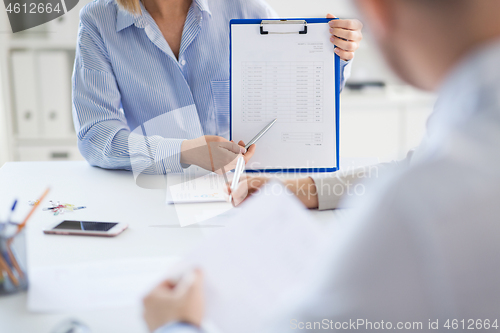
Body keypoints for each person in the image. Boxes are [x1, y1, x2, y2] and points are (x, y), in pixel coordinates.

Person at [142, 0, 500, 331]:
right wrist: (310, 189)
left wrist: (176, 323)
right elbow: (421, 163)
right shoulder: (465, 136)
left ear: (378, 11)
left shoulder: (410, 212)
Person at [72, 0, 363, 175]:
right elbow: (96, 137)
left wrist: (335, 55)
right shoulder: (98, 21)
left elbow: (296, 100)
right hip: (154, 196)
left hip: (247, 189)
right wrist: (184, 152)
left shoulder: (245, 7)